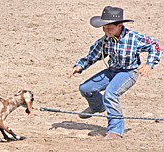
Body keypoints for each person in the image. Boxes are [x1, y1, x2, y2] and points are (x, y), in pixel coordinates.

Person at [68, 6, 163, 139]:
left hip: (129, 72)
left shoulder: (134, 38)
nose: (106, 31)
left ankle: (116, 130)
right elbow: (93, 55)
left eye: (110, 28)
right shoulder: (105, 40)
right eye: (104, 28)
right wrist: (80, 66)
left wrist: (149, 64)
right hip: (112, 70)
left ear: (120, 25)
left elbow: (155, 46)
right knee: (85, 88)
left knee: (110, 94)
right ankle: (97, 106)